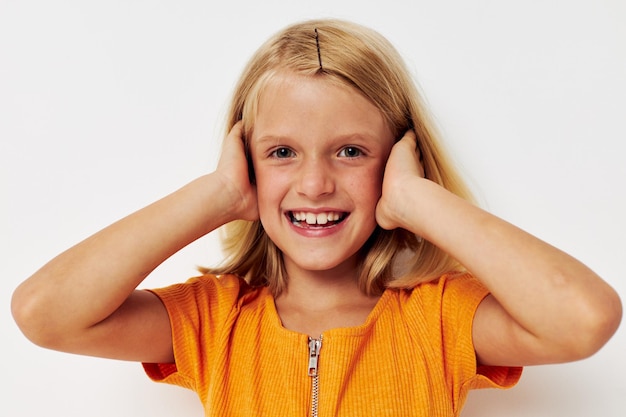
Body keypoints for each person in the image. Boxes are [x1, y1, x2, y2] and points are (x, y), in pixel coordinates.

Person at [11, 18, 622, 417]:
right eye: (281, 153)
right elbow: (45, 313)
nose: (314, 183)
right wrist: (217, 194)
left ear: (396, 163)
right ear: (247, 164)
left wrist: (421, 201)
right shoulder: (214, 321)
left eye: (351, 151)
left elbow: (585, 317)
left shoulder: (437, 319)